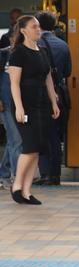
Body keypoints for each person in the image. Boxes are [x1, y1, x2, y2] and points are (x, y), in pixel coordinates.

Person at [8, 15, 60, 205]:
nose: (38, 29)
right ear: (23, 30)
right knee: (29, 146)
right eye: (34, 27)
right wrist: (19, 107)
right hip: (26, 104)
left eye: (39, 27)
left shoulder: (43, 50)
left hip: (42, 104)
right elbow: (14, 83)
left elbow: (48, 79)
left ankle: (27, 191)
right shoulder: (18, 53)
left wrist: (54, 102)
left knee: (37, 148)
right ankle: (17, 186)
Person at [33, 11, 71, 186]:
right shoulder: (63, 45)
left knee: (40, 134)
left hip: (39, 95)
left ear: (38, 25)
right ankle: (55, 174)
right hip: (58, 94)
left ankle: (45, 173)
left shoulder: (35, 43)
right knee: (55, 136)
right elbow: (68, 72)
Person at [0, 30, 22, 189]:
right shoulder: (3, 55)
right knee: (16, 139)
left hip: (21, 103)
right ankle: (16, 176)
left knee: (14, 140)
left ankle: (5, 173)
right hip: (6, 103)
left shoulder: (26, 54)